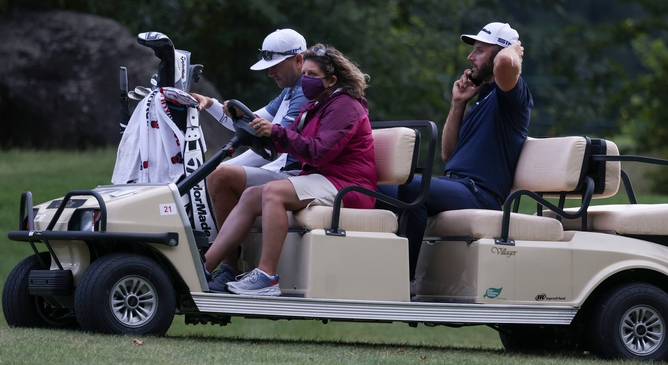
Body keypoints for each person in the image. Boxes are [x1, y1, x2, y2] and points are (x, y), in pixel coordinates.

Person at [203, 44, 377, 296]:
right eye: (304, 74)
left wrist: (275, 131)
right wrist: (255, 129)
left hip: (348, 186)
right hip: (323, 179)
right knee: (253, 195)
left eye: (312, 75)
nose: (305, 80)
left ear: (332, 80)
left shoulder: (346, 107)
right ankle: (205, 267)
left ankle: (266, 278)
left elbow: (320, 151)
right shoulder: (314, 106)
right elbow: (285, 141)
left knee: (273, 192)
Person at [379, 22, 533, 281]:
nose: (470, 57)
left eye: (479, 50)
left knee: (413, 188)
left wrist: (514, 50)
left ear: (499, 53)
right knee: (376, 187)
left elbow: (505, 63)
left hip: (480, 195)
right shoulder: (483, 98)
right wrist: (458, 103)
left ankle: (401, 281)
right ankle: (368, 274)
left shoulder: (512, 96)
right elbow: (448, 156)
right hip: (457, 187)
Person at [190, 28, 308, 291]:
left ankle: (222, 268)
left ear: (298, 60)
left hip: (293, 174)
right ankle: (220, 267)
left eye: (276, 65)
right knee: (212, 176)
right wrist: (209, 105)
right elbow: (247, 123)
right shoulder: (289, 92)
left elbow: (275, 142)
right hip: (279, 169)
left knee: (218, 176)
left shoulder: (304, 92)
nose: (269, 72)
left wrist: (225, 169)